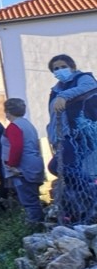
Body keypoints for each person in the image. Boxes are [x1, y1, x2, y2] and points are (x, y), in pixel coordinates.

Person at [46, 55, 97, 224]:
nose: (59, 70)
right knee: (67, 172)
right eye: (55, 69)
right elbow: (53, 118)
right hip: (64, 136)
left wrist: (64, 96)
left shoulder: (83, 78)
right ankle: (83, 204)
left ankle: (91, 187)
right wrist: (54, 138)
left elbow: (90, 86)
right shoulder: (56, 89)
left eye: (62, 66)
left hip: (80, 133)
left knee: (57, 167)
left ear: (72, 66)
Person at [1, 97, 46, 226]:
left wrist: (11, 165)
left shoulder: (14, 126)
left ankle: (34, 226)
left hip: (23, 167)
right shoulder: (27, 124)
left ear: (8, 112)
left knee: (28, 200)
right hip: (34, 163)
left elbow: (16, 147)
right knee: (33, 197)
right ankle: (37, 223)